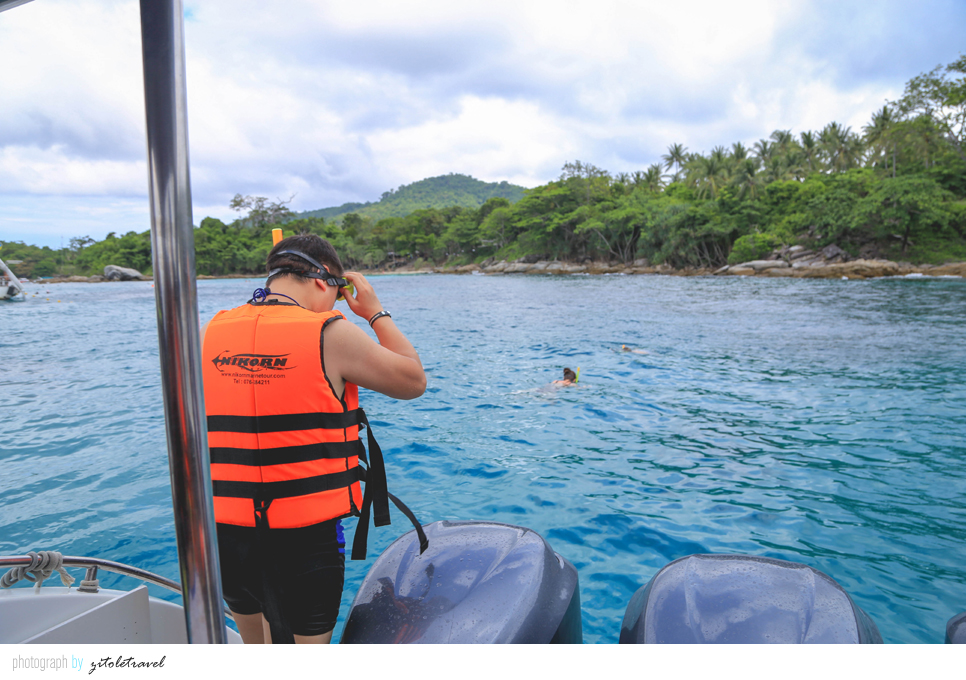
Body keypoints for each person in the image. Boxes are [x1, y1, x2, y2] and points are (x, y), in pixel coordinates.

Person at [201, 234, 426, 644]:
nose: (338, 306)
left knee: (256, 647)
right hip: (304, 537)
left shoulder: (209, 331)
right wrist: (374, 312)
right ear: (324, 282)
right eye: (341, 297)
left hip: (225, 530)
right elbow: (413, 380)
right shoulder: (330, 332)